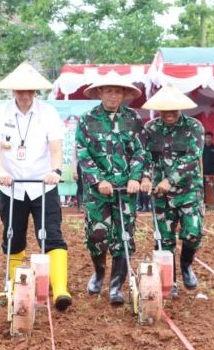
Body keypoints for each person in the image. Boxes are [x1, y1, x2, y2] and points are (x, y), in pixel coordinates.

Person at [0, 62, 71, 311]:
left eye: (29, 91)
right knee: (13, 236)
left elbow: (56, 147)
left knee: (52, 236)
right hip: (11, 186)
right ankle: (13, 285)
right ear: (13, 91)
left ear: (35, 91)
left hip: (42, 185)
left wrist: (55, 171)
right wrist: (0, 171)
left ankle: (60, 290)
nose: (24, 95)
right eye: (20, 91)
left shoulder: (48, 113)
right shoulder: (0, 114)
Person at [75, 71, 150, 304]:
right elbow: (83, 152)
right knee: (98, 236)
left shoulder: (133, 119)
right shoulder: (87, 119)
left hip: (126, 190)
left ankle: (116, 286)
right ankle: (98, 272)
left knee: (124, 237)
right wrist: (98, 180)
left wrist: (136, 177)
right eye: (108, 90)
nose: (113, 95)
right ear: (100, 92)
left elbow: (140, 151)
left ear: (124, 94)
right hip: (99, 191)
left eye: (118, 91)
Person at [143, 86, 204, 297]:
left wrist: (170, 180)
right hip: (161, 195)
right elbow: (145, 157)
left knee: (192, 234)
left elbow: (191, 158)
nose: (169, 114)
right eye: (164, 110)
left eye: (173, 110)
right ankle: (171, 281)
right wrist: (146, 177)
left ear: (180, 108)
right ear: (158, 110)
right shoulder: (150, 129)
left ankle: (186, 265)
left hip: (188, 191)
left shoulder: (194, 127)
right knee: (164, 240)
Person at [202, 131, 214, 207]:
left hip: (213, 173)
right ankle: (203, 203)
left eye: (209, 138)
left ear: (212, 139)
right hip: (203, 172)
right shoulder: (201, 148)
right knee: (203, 188)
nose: (208, 139)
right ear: (204, 138)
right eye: (206, 137)